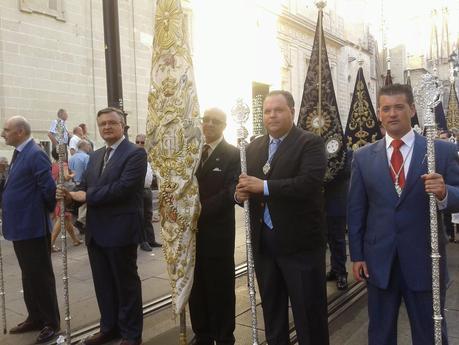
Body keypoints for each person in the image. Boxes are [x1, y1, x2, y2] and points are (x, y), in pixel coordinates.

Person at [348, 84, 459, 345]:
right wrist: (358, 255)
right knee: (380, 333)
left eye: (399, 107)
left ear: (412, 109)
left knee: (429, 333)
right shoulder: (363, 157)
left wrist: (444, 193)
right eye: (386, 108)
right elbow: (356, 210)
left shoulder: (438, 151)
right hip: (379, 262)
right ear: (378, 114)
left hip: (424, 260)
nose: (392, 114)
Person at [236, 90, 329, 345]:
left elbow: (308, 184)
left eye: (278, 110)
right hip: (264, 245)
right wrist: (239, 194)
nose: (272, 115)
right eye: (267, 111)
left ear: (291, 111)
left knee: (309, 314)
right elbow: (244, 187)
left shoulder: (310, 143)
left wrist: (263, 186)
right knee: (273, 313)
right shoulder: (253, 147)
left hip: (300, 246)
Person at [57, 107, 146, 345]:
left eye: (111, 123)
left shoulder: (135, 154)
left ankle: (130, 334)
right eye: (102, 124)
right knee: (104, 284)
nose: (106, 127)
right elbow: (84, 185)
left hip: (121, 230)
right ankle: (109, 327)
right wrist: (69, 194)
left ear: (122, 126)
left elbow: (123, 188)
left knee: (125, 286)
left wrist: (84, 196)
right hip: (96, 232)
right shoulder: (96, 155)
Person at [2, 116, 60, 343]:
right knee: (29, 276)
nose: (3, 133)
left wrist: (40, 213)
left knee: (41, 276)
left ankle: (50, 322)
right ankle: (35, 316)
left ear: (19, 132)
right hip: (20, 227)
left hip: (33, 227)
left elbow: (48, 189)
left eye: (6, 130)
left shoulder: (35, 154)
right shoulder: (19, 153)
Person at [189, 108, 240, 345]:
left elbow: (231, 191)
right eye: (206, 120)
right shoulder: (190, 153)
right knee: (195, 285)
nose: (209, 124)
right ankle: (202, 333)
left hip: (217, 232)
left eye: (215, 121)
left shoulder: (234, 154)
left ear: (224, 125)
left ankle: (223, 335)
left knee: (220, 286)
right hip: (190, 234)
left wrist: (198, 210)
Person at [324, 149, 352, 290]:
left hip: (337, 201)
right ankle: (334, 269)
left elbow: (347, 172)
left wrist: (331, 170)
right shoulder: (313, 148)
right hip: (319, 202)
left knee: (337, 239)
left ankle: (341, 272)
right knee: (325, 239)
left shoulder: (346, 152)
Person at [50, 148, 82, 251]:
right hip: (64, 192)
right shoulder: (63, 164)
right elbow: (66, 177)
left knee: (66, 218)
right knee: (62, 218)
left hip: (56, 190)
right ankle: (50, 244)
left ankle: (75, 240)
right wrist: (73, 174)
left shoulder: (53, 164)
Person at [135, 133, 162, 251]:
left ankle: (151, 239)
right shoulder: (132, 155)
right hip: (138, 190)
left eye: (143, 142)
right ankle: (143, 241)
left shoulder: (147, 156)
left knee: (148, 215)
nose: (140, 144)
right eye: (138, 142)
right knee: (140, 216)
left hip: (147, 190)